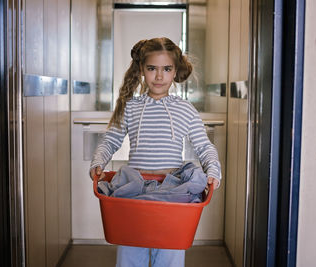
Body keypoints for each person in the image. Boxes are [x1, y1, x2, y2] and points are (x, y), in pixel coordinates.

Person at [89, 37, 221, 267]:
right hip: (133, 191)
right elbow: (110, 140)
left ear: (175, 71)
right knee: (130, 256)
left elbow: (204, 146)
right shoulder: (130, 107)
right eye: (152, 68)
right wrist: (98, 162)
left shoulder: (185, 109)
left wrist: (214, 171)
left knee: (169, 257)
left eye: (166, 69)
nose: (159, 76)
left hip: (172, 194)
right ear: (142, 69)